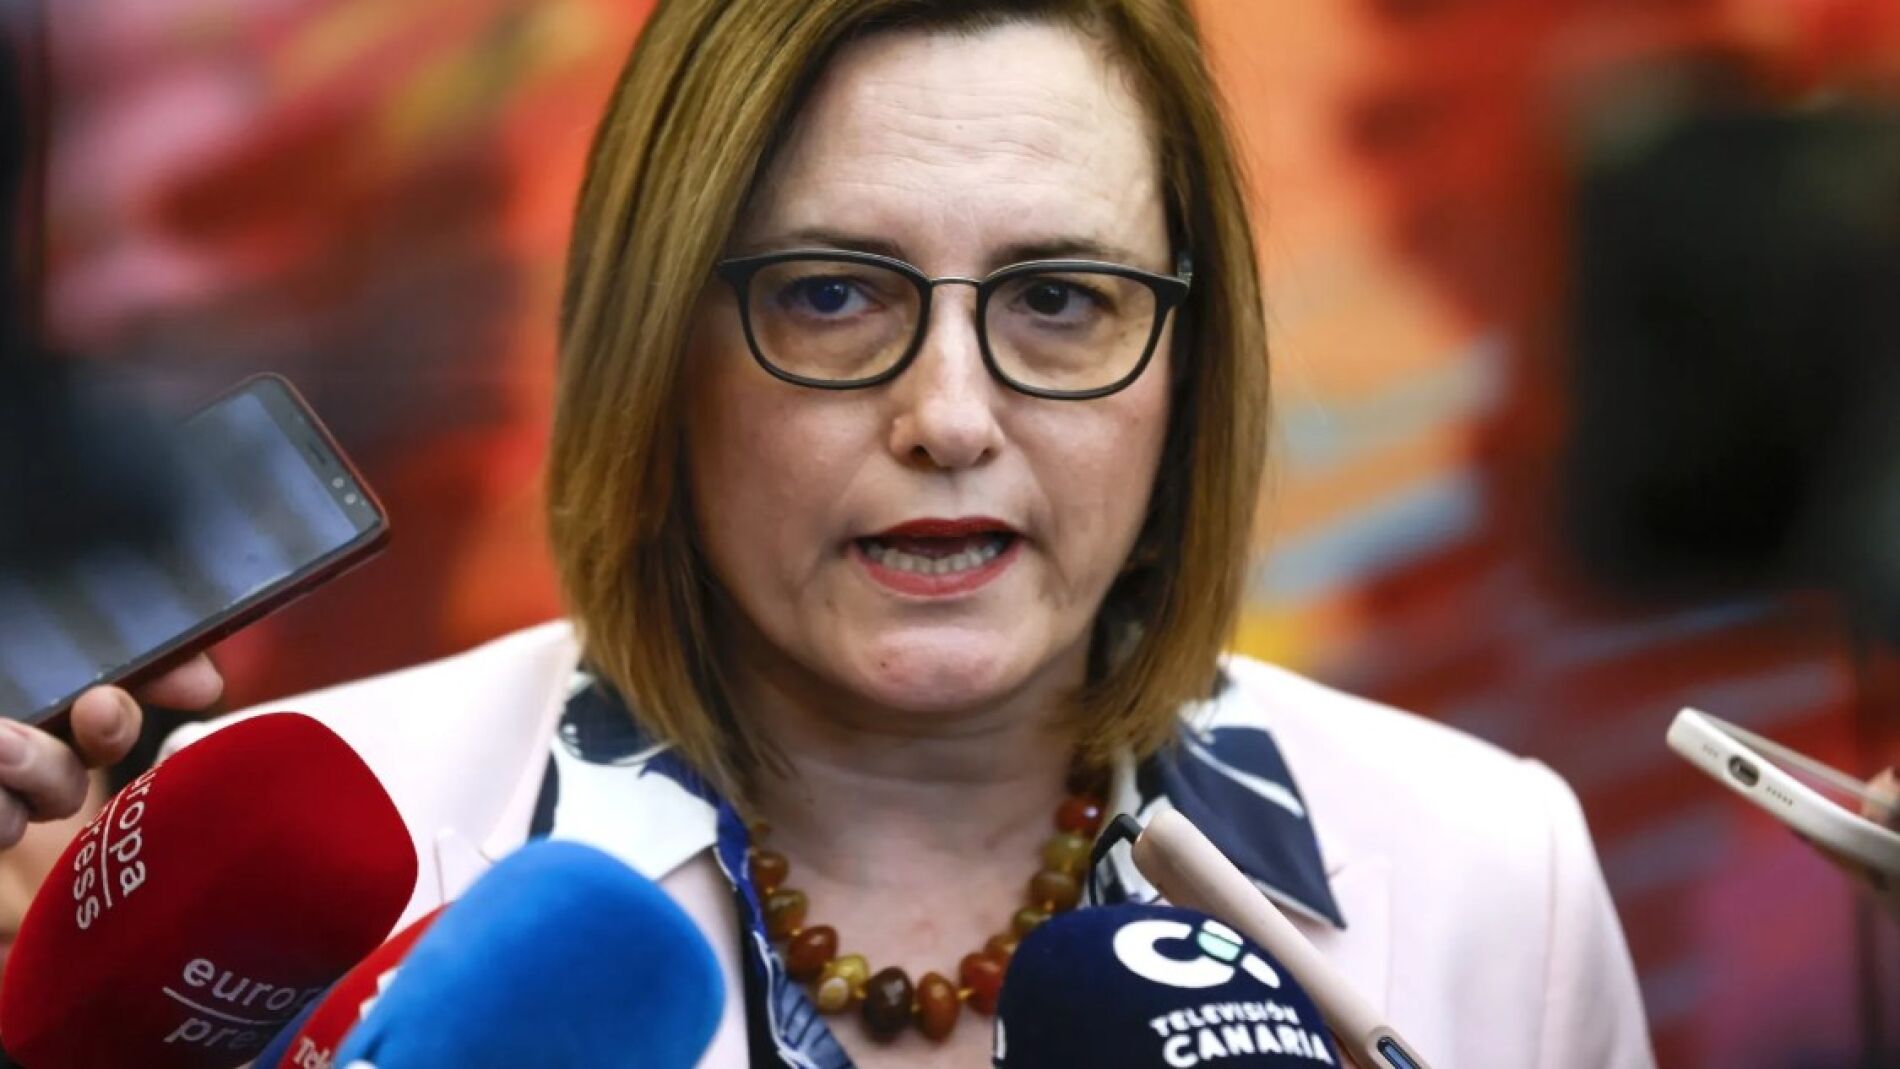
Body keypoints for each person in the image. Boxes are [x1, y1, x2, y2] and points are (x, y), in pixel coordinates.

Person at [5, 1, 1658, 1065]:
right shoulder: (272, 875)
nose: (949, 415)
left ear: (1190, 362)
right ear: (660, 344)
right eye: (830, 293)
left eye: (1062, 299)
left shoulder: (1494, 870)